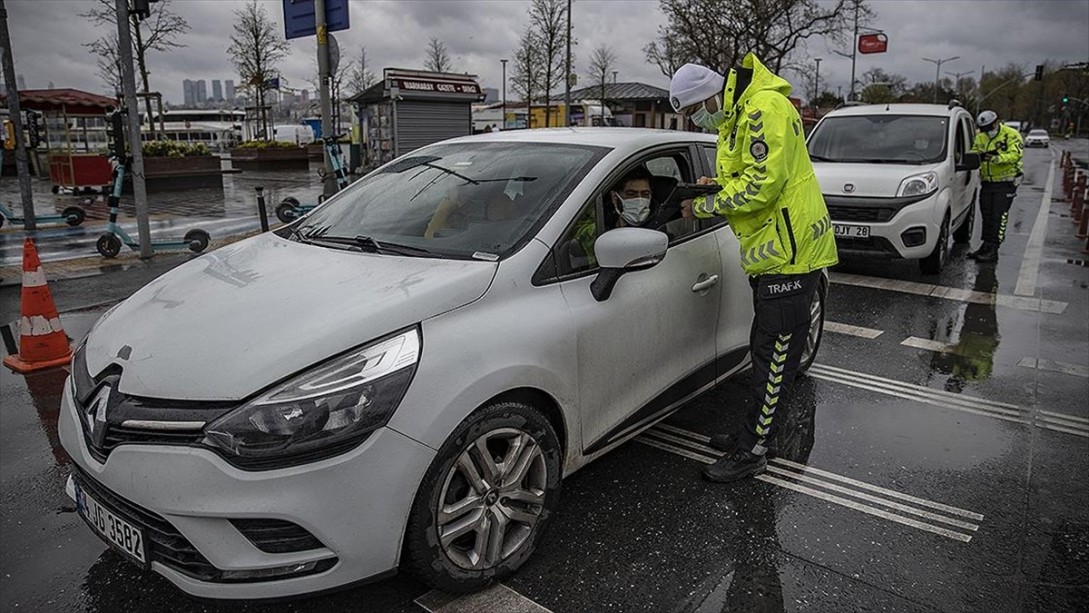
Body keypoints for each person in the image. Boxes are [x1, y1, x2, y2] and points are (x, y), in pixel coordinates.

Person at [668, 52, 838, 483]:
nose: (694, 123)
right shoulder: (739, 113)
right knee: (767, 348)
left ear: (710, 96)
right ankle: (758, 433)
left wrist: (704, 205)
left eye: (692, 112)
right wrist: (717, 185)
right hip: (776, 250)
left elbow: (763, 186)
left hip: (791, 252)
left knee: (774, 354)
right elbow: (751, 173)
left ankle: (754, 450)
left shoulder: (763, 108)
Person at [572, 166, 658, 264]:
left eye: (645, 194)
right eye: (631, 194)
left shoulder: (659, 226)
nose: (639, 200)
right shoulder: (597, 224)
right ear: (615, 197)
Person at [970, 110, 1023, 263]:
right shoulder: (981, 137)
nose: (986, 132)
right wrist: (975, 157)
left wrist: (997, 158)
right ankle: (986, 245)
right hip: (987, 182)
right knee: (986, 215)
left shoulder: (1011, 135)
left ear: (995, 122)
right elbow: (974, 152)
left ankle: (994, 249)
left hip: (1006, 183)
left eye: (988, 128)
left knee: (998, 216)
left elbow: (1016, 154)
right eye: (983, 129)